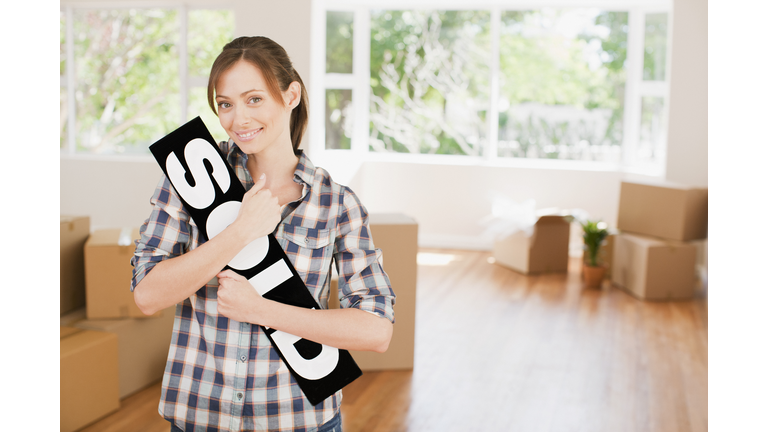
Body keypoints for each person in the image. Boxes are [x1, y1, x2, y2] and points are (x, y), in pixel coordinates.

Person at [131, 36, 396, 432]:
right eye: (225, 104)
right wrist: (239, 232)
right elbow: (147, 296)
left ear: (291, 95)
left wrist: (263, 311)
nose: (239, 119)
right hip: (202, 417)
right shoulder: (191, 178)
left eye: (254, 99)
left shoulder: (337, 204)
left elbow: (377, 330)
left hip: (298, 420)